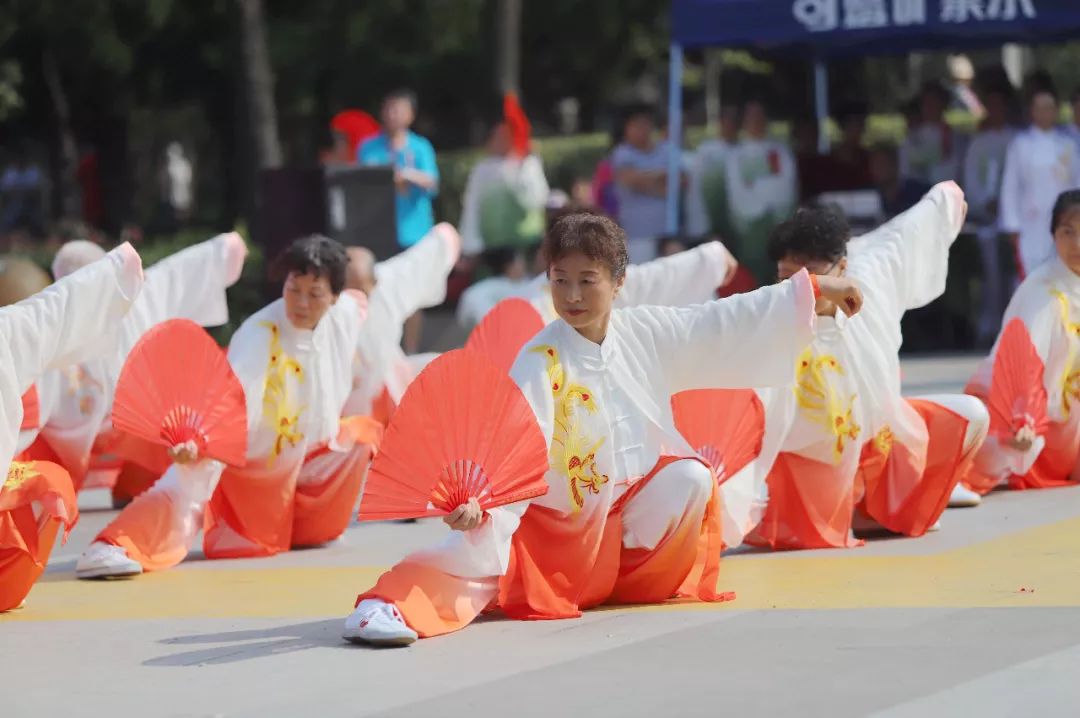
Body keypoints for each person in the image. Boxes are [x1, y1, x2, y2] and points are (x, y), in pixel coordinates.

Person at [342, 211, 864, 645]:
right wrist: (482, 502)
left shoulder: (644, 330)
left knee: (693, 478)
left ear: (618, 283)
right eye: (560, 280)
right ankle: (391, 604)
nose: (571, 295)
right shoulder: (540, 358)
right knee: (476, 561)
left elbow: (723, 321)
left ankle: (628, 581)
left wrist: (815, 289)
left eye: (587, 281)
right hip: (556, 528)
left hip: (624, 516)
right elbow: (510, 442)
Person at [76, 236, 374, 578]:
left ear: (333, 297)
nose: (301, 302)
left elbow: (358, 301)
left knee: (360, 439)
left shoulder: (345, 313)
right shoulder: (261, 333)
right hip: (249, 459)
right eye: (294, 288)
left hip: (306, 455)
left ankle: (312, 529)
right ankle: (115, 545)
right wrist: (200, 440)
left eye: (315, 294)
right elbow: (232, 396)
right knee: (190, 480)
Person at [741, 183, 989, 551]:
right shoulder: (768, 318)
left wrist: (947, 201)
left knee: (971, 414)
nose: (800, 288)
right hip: (810, 476)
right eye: (785, 278)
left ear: (843, 267)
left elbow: (902, 236)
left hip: (882, 450)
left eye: (811, 276)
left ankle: (912, 496)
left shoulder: (869, 280)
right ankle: (848, 513)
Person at [16, 233, 247, 507]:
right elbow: (187, 270)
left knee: (168, 422)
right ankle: (58, 491)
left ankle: (129, 485)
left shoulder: (140, 292)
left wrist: (230, 247)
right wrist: (229, 248)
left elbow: (186, 269)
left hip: (140, 425)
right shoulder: (58, 324)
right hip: (97, 425)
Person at [1, 243, 144, 611]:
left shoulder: (19, 332)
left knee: (52, 481)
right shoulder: (18, 333)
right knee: (51, 482)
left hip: (97, 438)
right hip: (53, 448)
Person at [965, 190, 1080, 494]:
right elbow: (1024, 362)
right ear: (1053, 235)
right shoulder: (1043, 291)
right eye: (1068, 232)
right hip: (1031, 421)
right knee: (1011, 447)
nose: (1077, 244)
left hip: (1072, 420)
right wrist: (1023, 417)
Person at [341, 224, 461, 423]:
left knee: (448, 372)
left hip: (391, 389)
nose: (355, 300)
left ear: (374, 282)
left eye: (360, 291)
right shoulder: (319, 300)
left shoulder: (388, 284)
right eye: (345, 292)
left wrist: (446, 237)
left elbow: (432, 252)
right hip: (344, 408)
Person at [1000, 87, 1080, 277]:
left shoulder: (1068, 144)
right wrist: (1012, 224)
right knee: (1032, 276)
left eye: (1050, 107)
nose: (1046, 112)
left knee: (1065, 273)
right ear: (1032, 111)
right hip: (1031, 223)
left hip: (1064, 221)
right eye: (1041, 108)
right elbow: (1010, 186)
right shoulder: (1021, 144)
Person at [964, 83, 1018, 345]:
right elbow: (971, 177)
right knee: (990, 275)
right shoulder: (979, 142)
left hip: (1014, 220)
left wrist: (1010, 205)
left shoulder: (1018, 139)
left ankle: (1015, 323)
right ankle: (989, 326)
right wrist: (986, 203)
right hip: (987, 219)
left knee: (1014, 274)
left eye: (1000, 104)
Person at [724, 98, 798, 284]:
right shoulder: (735, 155)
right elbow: (737, 191)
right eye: (751, 116)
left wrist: (756, 186)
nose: (756, 120)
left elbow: (785, 185)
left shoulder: (780, 151)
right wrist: (765, 188)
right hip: (749, 231)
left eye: (760, 115)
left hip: (779, 226)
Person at [358, 89, 439, 250]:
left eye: (397, 110)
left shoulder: (420, 147)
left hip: (416, 234)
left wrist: (407, 175)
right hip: (379, 232)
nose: (391, 115)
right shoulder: (368, 148)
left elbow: (432, 181)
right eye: (387, 109)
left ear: (411, 115)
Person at [458, 117, 549, 255]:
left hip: (528, 245)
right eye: (498, 136)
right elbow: (472, 208)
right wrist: (470, 246)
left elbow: (538, 200)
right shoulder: (481, 170)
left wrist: (522, 166)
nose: (503, 141)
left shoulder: (529, 165)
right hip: (493, 251)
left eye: (508, 136)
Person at [611, 105, 678, 263]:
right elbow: (630, 180)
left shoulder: (667, 149)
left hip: (668, 234)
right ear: (627, 128)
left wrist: (645, 179)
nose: (642, 129)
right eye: (636, 125)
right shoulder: (622, 154)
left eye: (645, 123)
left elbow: (679, 180)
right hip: (637, 236)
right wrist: (661, 175)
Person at [687, 106, 740, 239]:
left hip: (735, 222)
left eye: (733, 122)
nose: (730, 126)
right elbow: (697, 190)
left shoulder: (743, 150)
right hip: (708, 225)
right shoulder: (707, 151)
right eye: (726, 122)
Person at [900, 82, 964, 186]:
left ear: (944, 104)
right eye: (927, 102)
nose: (930, 106)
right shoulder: (912, 137)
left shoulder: (957, 138)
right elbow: (905, 170)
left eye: (935, 101)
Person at [456, 247, 533, 330]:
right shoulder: (485, 290)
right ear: (508, 266)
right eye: (520, 261)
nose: (524, 265)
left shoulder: (527, 281)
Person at [870, 144, 931, 221]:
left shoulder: (918, 191)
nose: (877, 169)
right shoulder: (870, 196)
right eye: (874, 164)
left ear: (894, 165)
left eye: (882, 163)